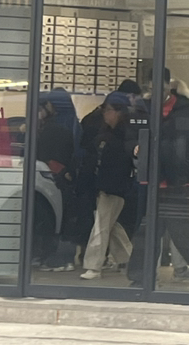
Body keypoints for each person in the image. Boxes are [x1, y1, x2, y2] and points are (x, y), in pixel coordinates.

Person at [127, 68, 189, 286]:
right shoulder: (142, 110)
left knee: (184, 233)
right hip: (151, 182)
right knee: (147, 233)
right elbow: (129, 137)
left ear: (170, 86)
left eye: (160, 89)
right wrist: (134, 148)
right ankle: (140, 278)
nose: (156, 93)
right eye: (152, 89)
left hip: (179, 183)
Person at [80, 91, 137, 280]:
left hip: (114, 186)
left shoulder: (123, 136)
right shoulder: (108, 134)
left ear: (119, 112)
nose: (105, 114)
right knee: (110, 226)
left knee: (101, 226)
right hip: (105, 185)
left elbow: (122, 164)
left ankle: (93, 266)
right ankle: (128, 258)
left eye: (109, 110)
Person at [34, 90, 76, 270]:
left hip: (52, 178)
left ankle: (53, 258)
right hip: (64, 178)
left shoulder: (51, 130)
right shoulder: (71, 124)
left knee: (52, 221)